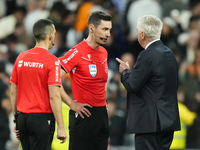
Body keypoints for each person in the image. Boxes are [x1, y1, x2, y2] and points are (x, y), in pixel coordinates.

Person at [116, 15, 181, 150]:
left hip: (149, 123)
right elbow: (174, 85)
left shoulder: (147, 55)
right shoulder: (170, 53)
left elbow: (132, 85)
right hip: (167, 121)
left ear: (142, 34)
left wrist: (125, 72)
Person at [9, 19, 67, 150]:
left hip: (23, 118)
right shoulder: (52, 61)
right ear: (50, 35)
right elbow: (54, 96)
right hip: (42, 118)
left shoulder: (21, 57)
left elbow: (13, 91)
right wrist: (61, 127)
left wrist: (16, 120)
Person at [59, 11, 112, 150]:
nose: (108, 34)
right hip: (84, 113)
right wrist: (71, 103)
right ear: (92, 28)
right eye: (105, 29)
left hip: (101, 114)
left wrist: (103, 101)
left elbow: (102, 81)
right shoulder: (76, 52)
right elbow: (53, 79)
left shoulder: (103, 52)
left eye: (110, 30)